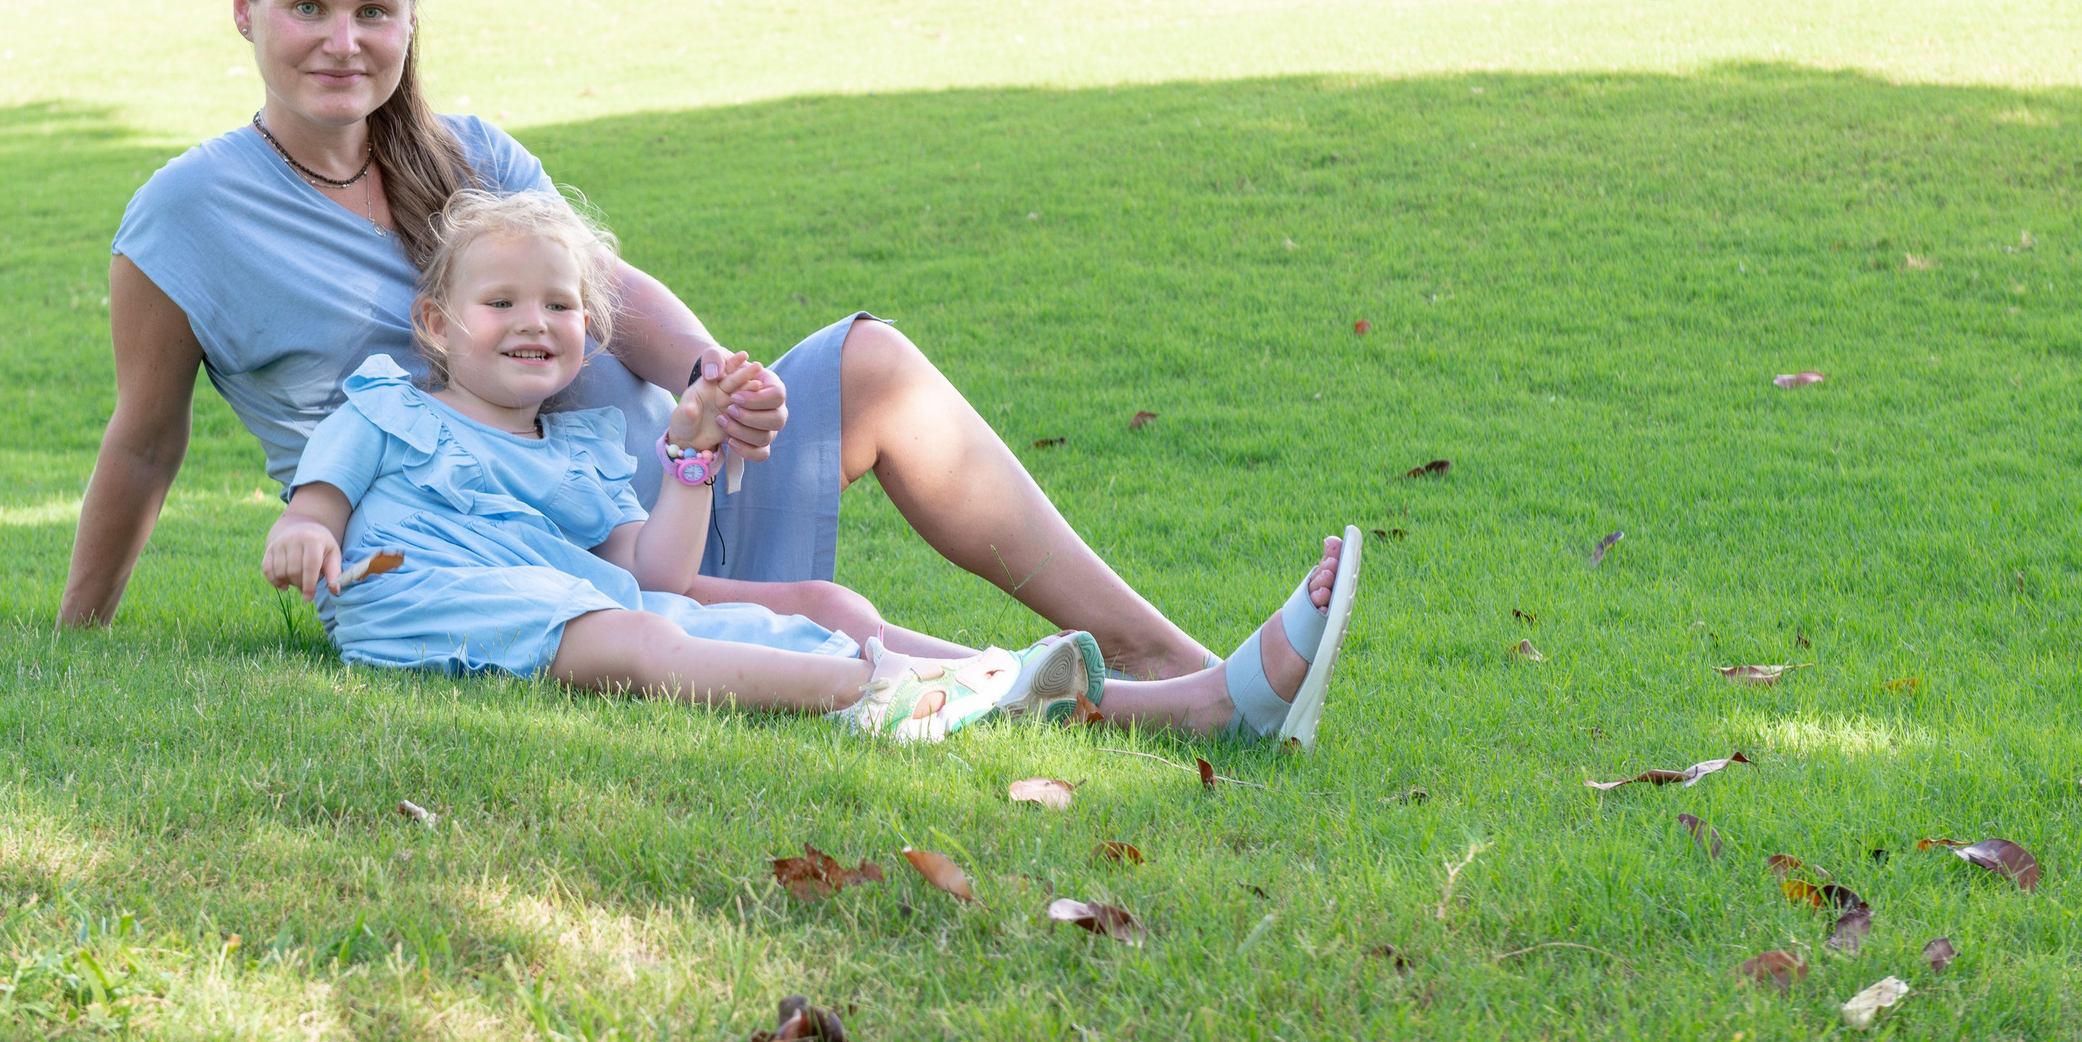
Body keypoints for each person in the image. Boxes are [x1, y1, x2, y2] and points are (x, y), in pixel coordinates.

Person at [56, 0, 1355, 727]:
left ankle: (1164, 659)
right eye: (308, 7)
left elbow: (610, 287)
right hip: (547, 558)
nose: (344, 40)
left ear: (409, 20)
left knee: (876, 362)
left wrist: (704, 383)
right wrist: (78, 639)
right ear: (245, 9)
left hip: (671, 500)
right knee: (840, 642)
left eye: (374, 10)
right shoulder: (191, 216)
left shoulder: (471, 155)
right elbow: (143, 438)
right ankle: (1184, 703)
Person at [260, 187, 1357, 741]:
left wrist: (686, 462)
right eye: (501, 303)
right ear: (436, 325)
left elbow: (661, 572)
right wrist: (306, 528)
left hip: (567, 602)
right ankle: (886, 695)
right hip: (426, 601)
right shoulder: (388, 404)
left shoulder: (587, 448)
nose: (534, 323)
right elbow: (319, 498)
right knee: (645, 639)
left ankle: (1167, 699)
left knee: (817, 599)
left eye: (561, 306)